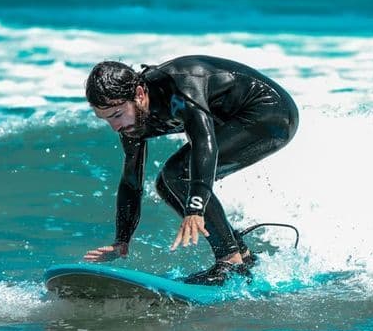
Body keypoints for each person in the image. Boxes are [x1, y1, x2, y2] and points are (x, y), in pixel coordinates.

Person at [82, 55, 299, 285]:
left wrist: (195, 209)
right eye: (105, 119)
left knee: (178, 173)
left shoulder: (180, 88)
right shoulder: (130, 122)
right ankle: (241, 255)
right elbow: (131, 181)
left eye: (117, 115)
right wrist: (122, 239)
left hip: (271, 113)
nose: (115, 127)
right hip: (233, 119)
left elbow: (205, 144)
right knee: (166, 185)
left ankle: (231, 260)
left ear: (139, 94)